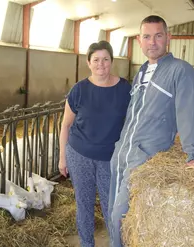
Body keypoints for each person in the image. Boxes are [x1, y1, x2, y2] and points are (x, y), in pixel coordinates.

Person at [108, 15, 194, 247]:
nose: (152, 42)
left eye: (158, 35)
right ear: (139, 40)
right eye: (147, 36)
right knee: (113, 217)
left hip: (144, 159)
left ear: (168, 38)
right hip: (121, 156)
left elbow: (187, 114)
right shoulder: (142, 71)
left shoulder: (179, 71)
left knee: (119, 217)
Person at [58, 40, 131, 247]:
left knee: (113, 206)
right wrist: (62, 157)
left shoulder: (125, 89)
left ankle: (116, 243)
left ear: (112, 61)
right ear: (88, 63)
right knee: (84, 204)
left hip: (110, 158)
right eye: (96, 60)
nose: (101, 64)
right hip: (79, 154)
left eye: (105, 59)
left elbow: (135, 119)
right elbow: (65, 126)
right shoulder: (79, 90)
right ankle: (86, 244)